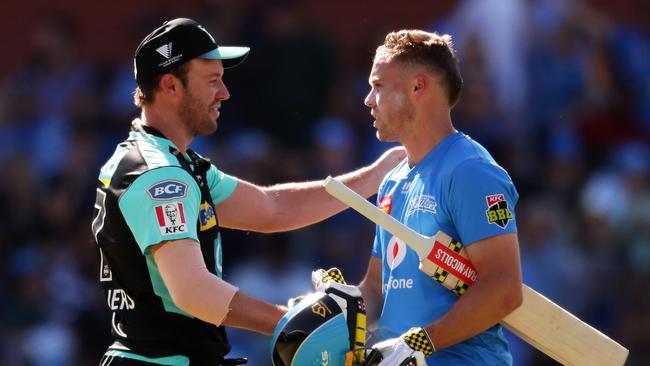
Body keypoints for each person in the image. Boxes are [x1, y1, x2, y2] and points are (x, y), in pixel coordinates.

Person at [91, 18, 404, 366]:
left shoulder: (170, 162)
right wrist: (292, 322)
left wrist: (374, 177)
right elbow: (193, 290)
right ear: (171, 85)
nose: (224, 93)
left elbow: (272, 208)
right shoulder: (160, 173)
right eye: (212, 81)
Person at [355, 29, 523, 365]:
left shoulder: (471, 171)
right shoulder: (392, 182)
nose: (368, 99)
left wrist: (420, 343)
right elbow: (375, 287)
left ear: (418, 87)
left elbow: (504, 289)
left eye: (378, 86)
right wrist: (338, 310)